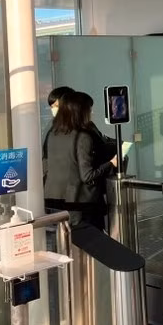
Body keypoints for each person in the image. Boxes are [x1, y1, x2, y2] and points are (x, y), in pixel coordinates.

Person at [44, 92, 117, 229]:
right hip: (80, 205)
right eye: (89, 108)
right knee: (89, 244)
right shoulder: (83, 136)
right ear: (80, 111)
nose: (92, 112)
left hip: (55, 202)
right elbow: (87, 175)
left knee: (63, 243)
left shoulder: (53, 134)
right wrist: (111, 163)